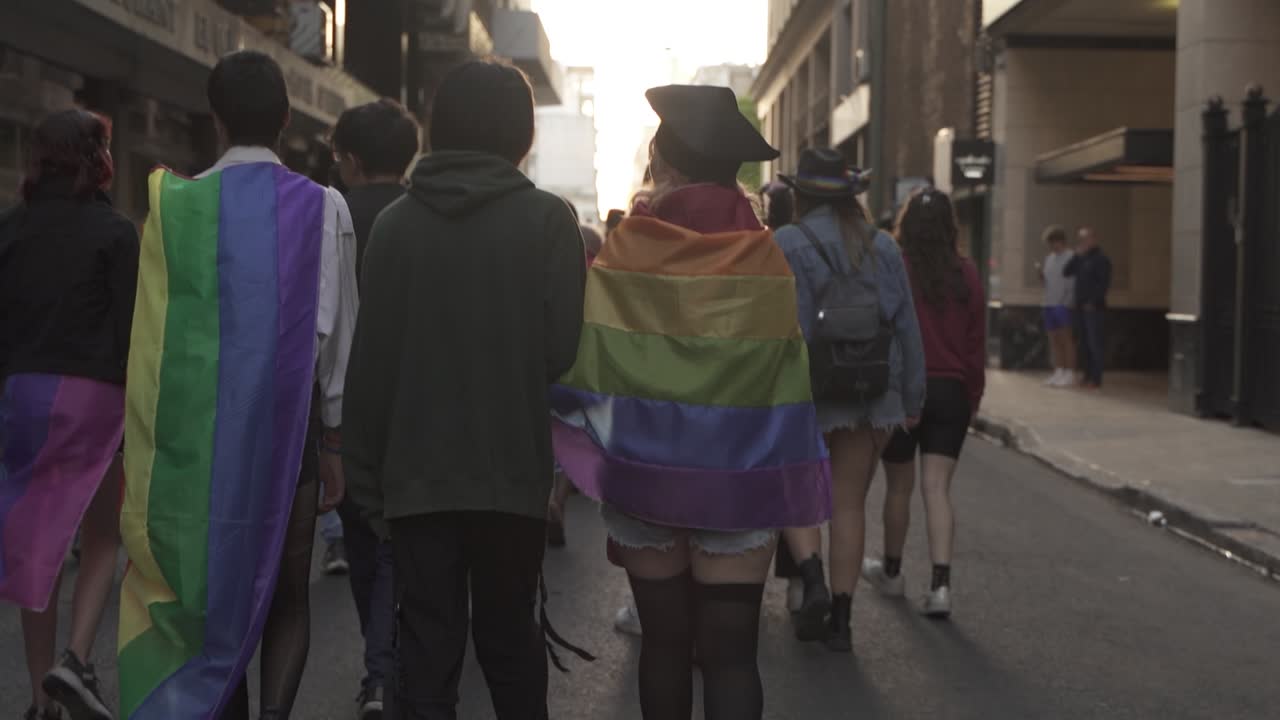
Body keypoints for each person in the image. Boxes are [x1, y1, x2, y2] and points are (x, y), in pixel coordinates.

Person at [553, 84, 829, 720]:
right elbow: (785, 375)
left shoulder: (625, 250)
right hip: (739, 479)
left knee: (665, 647)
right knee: (733, 657)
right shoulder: (765, 256)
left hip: (646, 476)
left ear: (667, 165)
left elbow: (597, 362)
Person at [117, 50, 358, 720]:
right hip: (291, 431)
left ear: (214, 119)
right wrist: (335, 438)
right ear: (286, 117)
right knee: (286, 597)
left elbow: (154, 338)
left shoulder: (173, 206)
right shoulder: (324, 206)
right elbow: (338, 336)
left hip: (195, 435)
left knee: (208, 597)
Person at [343, 58, 586, 719]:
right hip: (511, 476)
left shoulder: (394, 227)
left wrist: (367, 491)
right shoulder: (549, 222)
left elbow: (369, 371)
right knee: (510, 643)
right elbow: (561, 352)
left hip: (415, 483)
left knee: (425, 649)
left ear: (437, 127)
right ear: (523, 134)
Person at [0, 109, 138, 720]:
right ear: (98, 157)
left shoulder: (11, 229)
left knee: (38, 549)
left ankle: (38, 699)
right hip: (95, 400)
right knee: (102, 538)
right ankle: (76, 661)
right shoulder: (115, 233)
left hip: (22, 397)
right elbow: (134, 328)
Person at [775, 148, 926, 652]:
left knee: (796, 493)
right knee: (849, 504)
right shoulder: (883, 246)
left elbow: (778, 330)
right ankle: (841, 619)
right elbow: (906, 327)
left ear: (801, 194)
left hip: (804, 391)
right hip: (869, 389)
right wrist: (912, 396)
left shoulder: (786, 243)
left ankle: (812, 579)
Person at [329, 96, 420, 719]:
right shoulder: (424, 213)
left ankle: (379, 661)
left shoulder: (325, 216)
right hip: (415, 402)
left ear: (353, 160)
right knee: (403, 543)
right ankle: (388, 668)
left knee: (364, 541)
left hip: (345, 408)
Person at [864, 188, 986, 618]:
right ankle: (940, 587)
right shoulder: (966, 273)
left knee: (899, 485)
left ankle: (893, 573)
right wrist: (974, 395)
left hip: (904, 389)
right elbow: (975, 344)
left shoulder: (897, 268)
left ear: (906, 224)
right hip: (952, 391)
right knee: (938, 488)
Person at [1064, 226, 1111, 389]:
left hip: (1094, 309)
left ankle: (1096, 378)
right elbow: (1066, 272)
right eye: (1080, 239)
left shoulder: (1101, 259)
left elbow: (1103, 284)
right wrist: (1076, 256)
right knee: (1083, 343)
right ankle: (1086, 375)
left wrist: (1093, 301)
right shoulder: (1080, 259)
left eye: (1086, 239)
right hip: (1079, 308)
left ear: (1094, 239)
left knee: (1094, 343)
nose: (1082, 242)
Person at [1038, 225, 1076, 387]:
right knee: (1053, 340)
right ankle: (1058, 370)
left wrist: (1067, 302)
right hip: (1049, 303)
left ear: (1062, 241)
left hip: (1063, 304)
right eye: (1050, 243)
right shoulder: (1049, 258)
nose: (1052, 246)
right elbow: (1047, 282)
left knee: (1066, 339)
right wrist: (1040, 274)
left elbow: (1072, 283)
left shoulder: (1071, 257)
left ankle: (1070, 372)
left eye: (1054, 243)